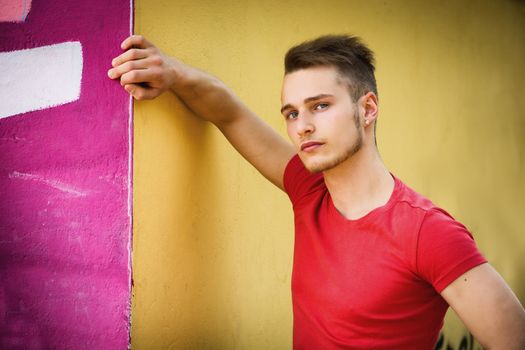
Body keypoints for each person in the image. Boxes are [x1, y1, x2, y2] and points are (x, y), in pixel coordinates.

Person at [108, 34, 525, 349]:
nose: (301, 125)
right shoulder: (309, 190)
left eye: (320, 106)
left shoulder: (428, 232)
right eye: (292, 113)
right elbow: (229, 113)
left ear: (367, 109)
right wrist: (173, 72)